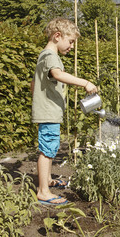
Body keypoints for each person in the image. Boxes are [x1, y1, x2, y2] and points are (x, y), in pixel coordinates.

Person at [31, 18, 97, 206]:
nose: (72, 46)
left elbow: (34, 84)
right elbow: (58, 75)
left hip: (48, 110)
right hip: (48, 112)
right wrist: (85, 82)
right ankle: (43, 191)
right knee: (48, 149)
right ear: (57, 36)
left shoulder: (44, 56)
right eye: (70, 41)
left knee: (50, 147)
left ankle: (48, 180)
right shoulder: (50, 57)